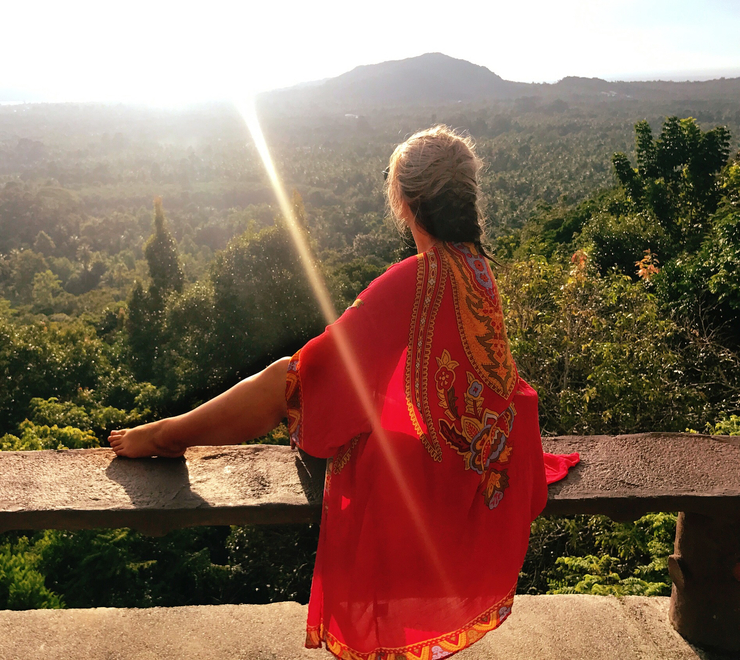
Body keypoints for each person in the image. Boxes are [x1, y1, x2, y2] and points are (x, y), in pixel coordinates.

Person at [110, 126, 576, 660]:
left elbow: (304, 380)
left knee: (291, 376)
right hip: (486, 463)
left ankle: (169, 435)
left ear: (404, 203)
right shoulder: (476, 268)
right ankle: (170, 433)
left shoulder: (413, 281)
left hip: (443, 478)